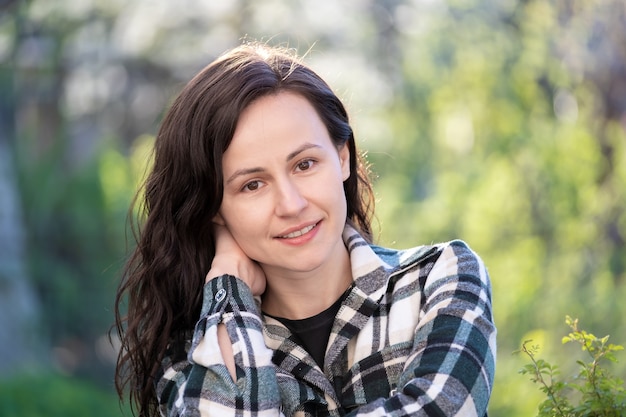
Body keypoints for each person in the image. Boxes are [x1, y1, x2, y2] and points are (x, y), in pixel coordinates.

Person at [113, 42, 497, 417]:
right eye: (253, 185)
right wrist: (228, 290)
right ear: (214, 208)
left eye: (305, 164)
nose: (292, 204)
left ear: (342, 158)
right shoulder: (192, 353)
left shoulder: (440, 278)